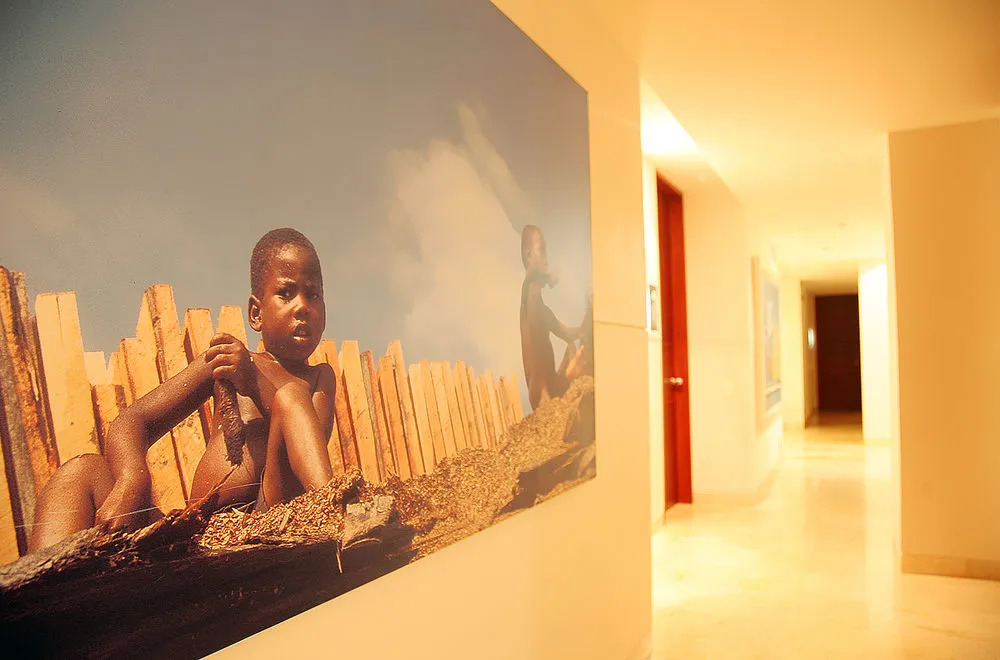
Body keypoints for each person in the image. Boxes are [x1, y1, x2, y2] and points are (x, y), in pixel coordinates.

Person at [29, 228, 336, 551]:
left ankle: (336, 512)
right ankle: (42, 580)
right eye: (286, 293)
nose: (302, 307)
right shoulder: (227, 362)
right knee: (81, 472)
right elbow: (132, 420)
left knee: (291, 396)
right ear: (256, 314)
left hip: (269, 519)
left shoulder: (318, 378)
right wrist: (133, 478)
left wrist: (253, 381)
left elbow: (308, 443)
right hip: (196, 535)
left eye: (313, 295)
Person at [519, 224, 588, 411]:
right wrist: (548, 276)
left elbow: (569, 333)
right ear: (528, 256)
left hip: (552, 385)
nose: (546, 259)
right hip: (541, 392)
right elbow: (531, 276)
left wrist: (586, 325)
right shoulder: (527, 300)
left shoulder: (545, 312)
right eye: (541, 251)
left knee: (572, 349)